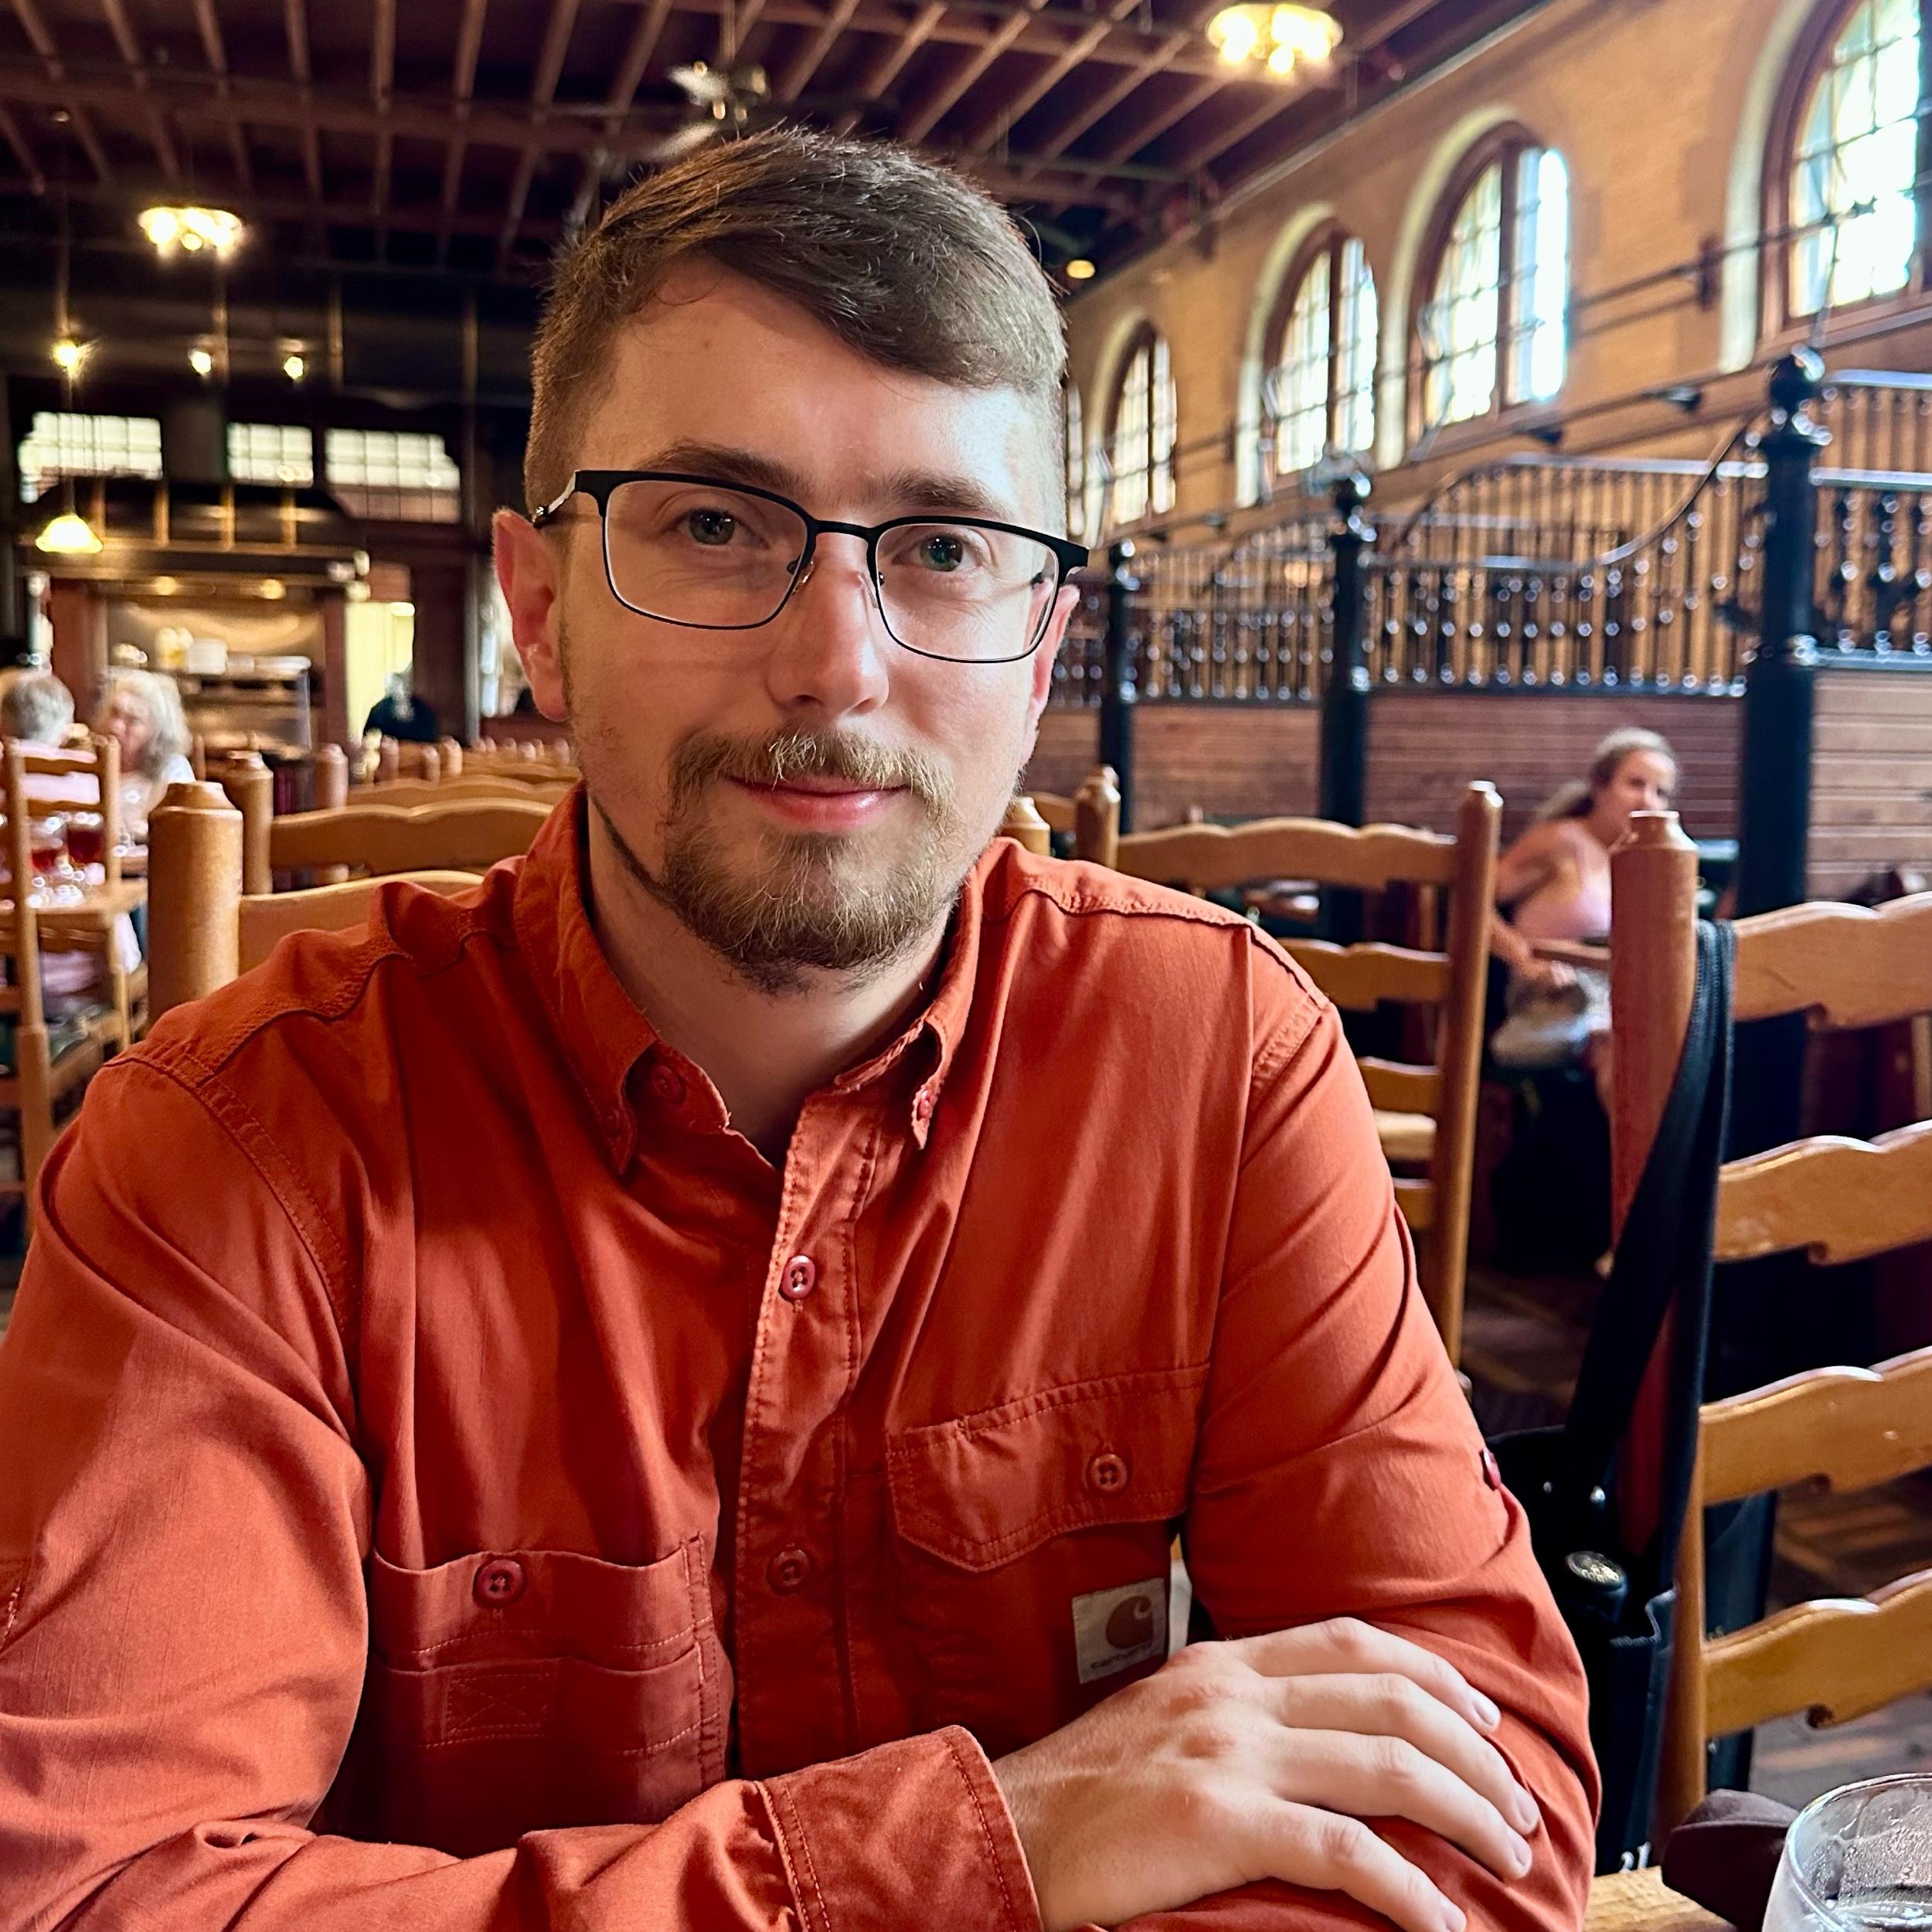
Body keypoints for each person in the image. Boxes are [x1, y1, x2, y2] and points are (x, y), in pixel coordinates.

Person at [0, 133, 1595, 1932]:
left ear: (1041, 643)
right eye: (712, 523)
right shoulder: (233, 1144)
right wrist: (992, 1841)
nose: (837, 661)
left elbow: (1483, 1793)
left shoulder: (1215, 1057)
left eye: (944, 547)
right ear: (539, 610)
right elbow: (95, 1895)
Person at [1488, 728, 1679, 1084]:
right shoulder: (1559, 842)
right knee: (1618, 1043)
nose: (1648, 801)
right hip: (1556, 1000)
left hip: (1621, 999)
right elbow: (1472, 905)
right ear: (1599, 786)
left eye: (1661, 793)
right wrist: (1525, 961)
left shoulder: (1649, 863)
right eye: (1635, 784)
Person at [97, 667, 196, 842]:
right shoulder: (90, 761)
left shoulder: (172, 769)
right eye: (114, 713)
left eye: (133, 719)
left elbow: (179, 835)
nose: (116, 727)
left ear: (157, 731)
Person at [363, 669, 443, 743]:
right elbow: (369, 737)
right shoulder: (380, 710)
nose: (399, 691)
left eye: (402, 687)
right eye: (394, 687)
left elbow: (431, 737)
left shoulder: (422, 710)